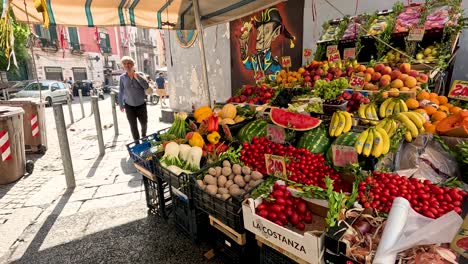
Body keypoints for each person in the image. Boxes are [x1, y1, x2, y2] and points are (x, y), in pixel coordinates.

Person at [238, 8, 295, 82]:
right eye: (259, 32)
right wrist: (243, 52)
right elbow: (249, 65)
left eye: (266, 31)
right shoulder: (256, 58)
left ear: (276, 32)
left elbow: (280, 75)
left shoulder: (274, 64)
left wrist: (266, 78)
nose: (259, 37)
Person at [118, 56, 150, 141]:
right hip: (129, 106)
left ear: (133, 65)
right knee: (133, 125)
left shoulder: (140, 75)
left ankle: (144, 135)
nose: (127, 65)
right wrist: (121, 104)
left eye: (129, 63)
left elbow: (146, 86)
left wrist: (137, 77)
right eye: (125, 64)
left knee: (144, 123)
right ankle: (136, 142)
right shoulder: (122, 77)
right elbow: (121, 91)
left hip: (141, 105)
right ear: (123, 66)